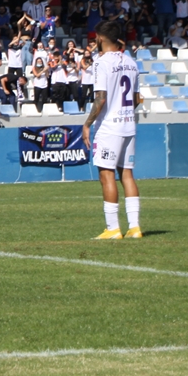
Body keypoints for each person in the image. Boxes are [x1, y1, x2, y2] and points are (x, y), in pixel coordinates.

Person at [82, 20, 141, 240]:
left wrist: (87, 124)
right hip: (128, 124)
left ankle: (113, 228)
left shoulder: (101, 62)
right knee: (127, 174)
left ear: (100, 38)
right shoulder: (131, 62)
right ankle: (135, 228)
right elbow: (136, 99)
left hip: (109, 127)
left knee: (106, 175)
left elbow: (100, 98)